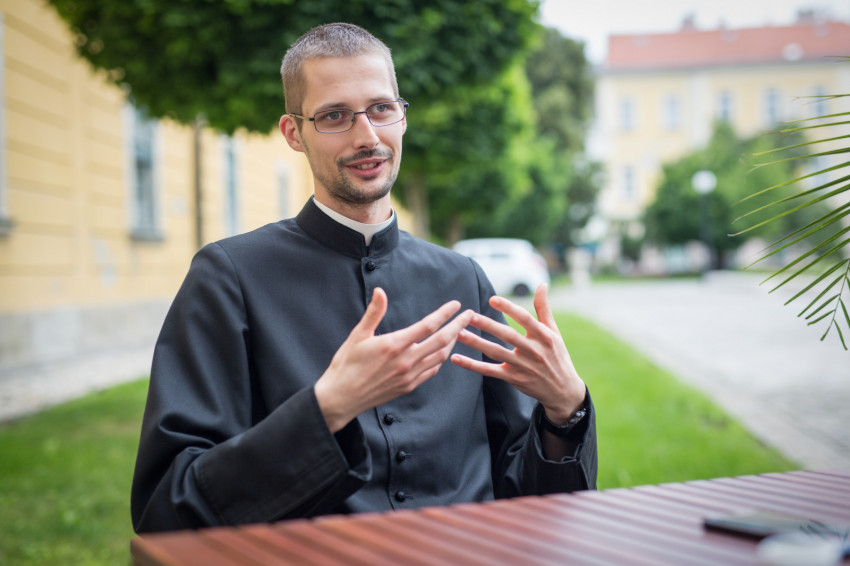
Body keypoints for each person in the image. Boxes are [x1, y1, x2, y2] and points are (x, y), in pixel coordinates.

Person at [131, 22, 597, 534]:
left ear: (402, 116)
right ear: (293, 133)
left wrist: (565, 409)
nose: (367, 137)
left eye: (380, 108)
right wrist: (327, 408)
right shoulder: (229, 278)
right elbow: (167, 508)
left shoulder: (463, 279)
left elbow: (526, 499)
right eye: (334, 116)